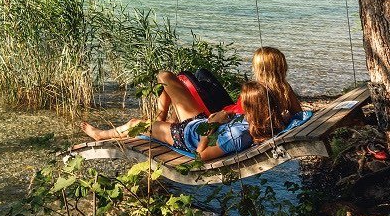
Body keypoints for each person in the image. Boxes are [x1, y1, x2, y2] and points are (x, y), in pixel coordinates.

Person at [81, 82, 286, 160]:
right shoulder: (261, 122)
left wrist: (213, 124)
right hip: (197, 123)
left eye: (244, 103)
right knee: (165, 78)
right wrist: (223, 118)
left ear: (252, 108)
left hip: (184, 135)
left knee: (135, 123)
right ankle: (158, 122)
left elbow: (201, 155)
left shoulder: (239, 136)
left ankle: (101, 135)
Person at [155, 46, 302, 124]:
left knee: (180, 78)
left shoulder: (258, 92)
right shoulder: (283, 88)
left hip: (222, 115)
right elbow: (299, 114)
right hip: (230, 109)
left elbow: (243, 115)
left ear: (260, 69)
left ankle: (161, 120)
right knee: (202, 73)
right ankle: (170, 120)